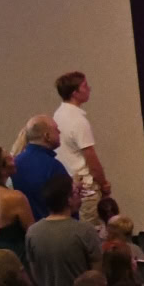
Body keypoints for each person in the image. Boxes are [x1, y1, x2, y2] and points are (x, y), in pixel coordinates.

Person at [50, 70, 114, 215]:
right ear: (74, 93)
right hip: (86, 187)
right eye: (85, 86)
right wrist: (103, 183)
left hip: (69, 182)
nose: (89, 89)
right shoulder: (78, 120)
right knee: (92, 228)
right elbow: (90, 155)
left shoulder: (58, 115)